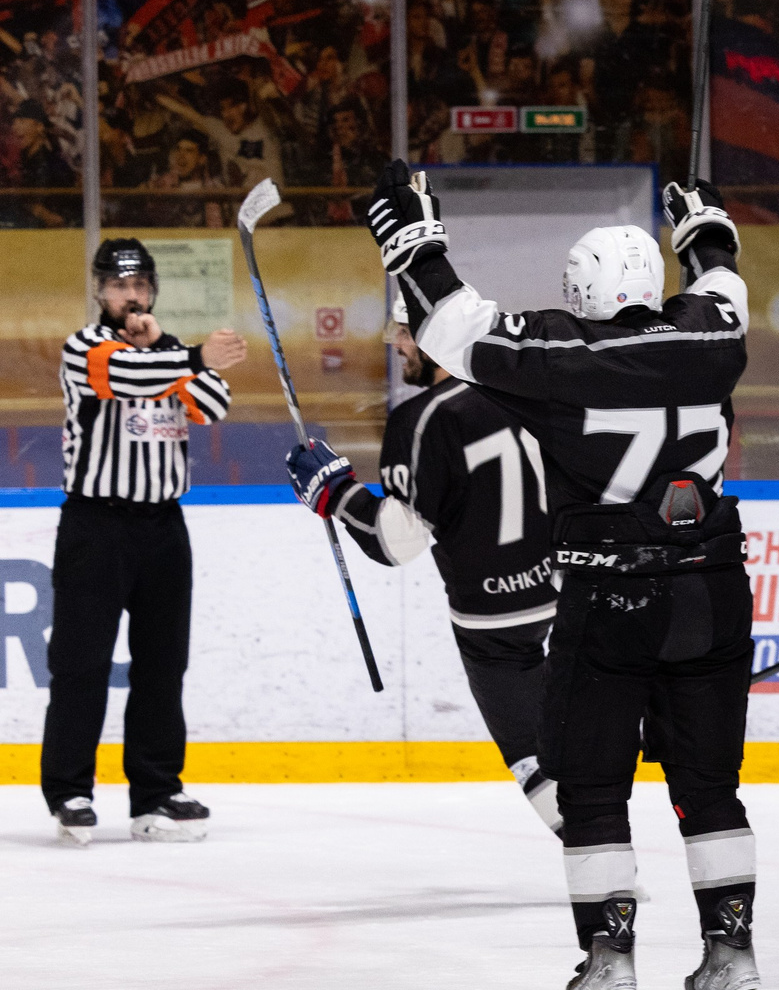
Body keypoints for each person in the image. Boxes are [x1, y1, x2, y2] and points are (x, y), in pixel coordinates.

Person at [358, 161, 757, 990]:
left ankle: (609, 952)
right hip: (714, 590)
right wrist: (704, 228)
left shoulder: (563, 353)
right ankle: (731, 947)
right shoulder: (715, 334)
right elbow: (723, 279)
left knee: (592, 787)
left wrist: (415, 241)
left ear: (583, 292)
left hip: (610, 598)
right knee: (709, 785)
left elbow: (452, 327)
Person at [286, 320, 560, 832]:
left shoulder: (422, 418)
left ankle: (597, 855)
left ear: (436, 334)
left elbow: (395, 542)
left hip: (492, 617)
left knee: (531, 756)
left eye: (406, 332)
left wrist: (335, 494)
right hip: (565, 590)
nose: (395, 343)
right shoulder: (525, 384)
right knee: (585, 736)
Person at [42, 239, 249, 843]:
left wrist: (175, 353)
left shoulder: (167, 352)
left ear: (151, 291)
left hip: (163, 528)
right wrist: (193, 356)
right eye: (119, 286)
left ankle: (156, 793)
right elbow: (124, 377)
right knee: (81, 664)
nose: (131, 296)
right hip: (96, 526)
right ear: (100, 292)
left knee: (163, 664)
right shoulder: (84, 348)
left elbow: (212, 405)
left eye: (139, 285)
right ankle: (70, 791)